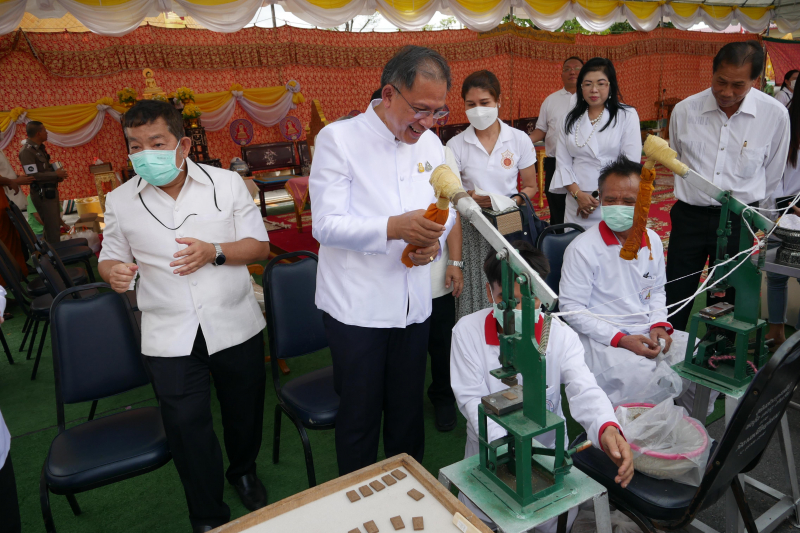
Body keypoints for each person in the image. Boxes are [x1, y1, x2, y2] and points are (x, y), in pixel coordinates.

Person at [98, 100, 271, 532]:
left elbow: (259, 247)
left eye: (156, 142)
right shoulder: (120, 200)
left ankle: (243, 470)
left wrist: (216, 251)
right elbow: (109, 257)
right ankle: (208, 515)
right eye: (135, 146)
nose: (145, 154)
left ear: (183, 144)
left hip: (234, 322)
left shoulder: (228, 184)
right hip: (169, 333)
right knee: (186, 428)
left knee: (243, 411)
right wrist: (113, 273)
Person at [310, 46, 456, 476]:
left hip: (413, 304)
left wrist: (433, 241)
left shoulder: (430, 143)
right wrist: (394, 227)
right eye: (420, 109)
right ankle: (357, 503)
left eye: (438, 111)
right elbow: (327, 225)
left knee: (407, 413)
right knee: (359, 417)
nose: (428, 122)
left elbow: (441, 210)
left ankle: (411, 493)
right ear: (389, 94)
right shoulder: (339, 139)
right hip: (358, 309)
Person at [450, 241, 633, 531]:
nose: (519, 310)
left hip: (549, 464)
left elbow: (583, 387)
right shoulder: (466, 332)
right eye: (507, 300)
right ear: (489, 293)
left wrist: (606, 425)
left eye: (530, 299)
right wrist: (513, 449)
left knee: (548, 524)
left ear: (543, 295)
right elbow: (471, 399)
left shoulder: (560, 336)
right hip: (489, 463)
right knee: (488, 522)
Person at [559, 156, 717, 412]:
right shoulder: (583, 249)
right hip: (602, 338)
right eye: (610, 200)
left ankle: (689, 426)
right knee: (641, 377)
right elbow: (572, 309)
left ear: (644, 201)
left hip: (646, 329)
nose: (617, 206)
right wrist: (621, 339)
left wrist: (658, 325)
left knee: (701, 359)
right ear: (600, 197)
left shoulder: (652, 240)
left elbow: (655, 291)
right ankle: (635, 440)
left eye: (628, 201)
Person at [667, 41, 791, 332]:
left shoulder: (773, 115)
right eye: (720, 82)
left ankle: (718, 355)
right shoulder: (686, 110)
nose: (726, 92)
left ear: (755, 81)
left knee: (730, 296)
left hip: (739, 220)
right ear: (712, 72)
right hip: (690, 216)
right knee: (677, 288)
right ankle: (667, 349)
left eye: (738, 85)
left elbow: (772, 173)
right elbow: (677, 158)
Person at [446, 70, 538, 321]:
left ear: (499, 101)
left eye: (485, 103)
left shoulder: (518, 139)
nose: (478, 110)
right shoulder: (456, 144)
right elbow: (452, 191)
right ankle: (475, 339)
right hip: (472, 221)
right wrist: (468, 199)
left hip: (509, 216)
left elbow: (531, 187)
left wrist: (508, 201)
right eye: (471, 104)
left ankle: (514, 332)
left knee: (508, 278)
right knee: (477, 285)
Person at [549, 57, 642, 230]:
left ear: (610, 85)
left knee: (611, 251)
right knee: (577, 250)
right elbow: (563, 164)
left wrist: (599, 198)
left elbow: (630, 164)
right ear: (581, 87)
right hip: (577, 202)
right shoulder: (567, 120)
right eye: (587, 84)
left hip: (614, 201)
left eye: (601, 83)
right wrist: (579, 197)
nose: (594, 90)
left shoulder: (626, 115)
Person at [427, 150, 464, 432]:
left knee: (441, 342)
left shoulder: (440, 152)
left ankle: (442, 397)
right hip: (391, 277)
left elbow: (452, 212)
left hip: (434, 273)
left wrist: (454, 261)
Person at [530, 57, 584, 227]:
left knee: (584, 208)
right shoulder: (550, 100)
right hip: (555, 164)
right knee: (557, 210)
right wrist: (522, 141)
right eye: (567, 69)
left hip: (583, 163)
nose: (572, 72)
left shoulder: (592, 100)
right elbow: (541, 130)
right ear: (561, 74)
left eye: (576, 68)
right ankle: (557, 244)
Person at [765, 89, 800, 351]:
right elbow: (770, 170)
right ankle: (776, 333)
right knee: (776, 271)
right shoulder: (782, 120)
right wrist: (778, 210)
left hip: (789, 207)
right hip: (780, 210)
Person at [19, 121, 67, 244]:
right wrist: (55, 174)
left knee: (54, 225)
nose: (47, 133)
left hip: (49, 191)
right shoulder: (27, 151)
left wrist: (56, 175)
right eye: (45, 131)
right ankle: (56, 258)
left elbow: (44, 170)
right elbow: (32, 175)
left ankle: (52, 255)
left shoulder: (39, 149)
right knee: (52, 228)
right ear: (38, 133)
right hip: (42, 194)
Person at [0, 148, 34, 279]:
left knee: (12, 242)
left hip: (4, 204)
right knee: (5, 247)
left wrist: (13, 180)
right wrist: (10, 181)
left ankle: (17, 274)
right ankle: (9, 282)